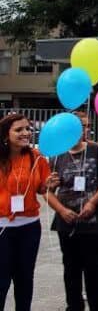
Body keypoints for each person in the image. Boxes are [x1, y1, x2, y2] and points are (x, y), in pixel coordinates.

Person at [46, 111, 98, 311]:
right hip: (67, 222)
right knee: (71, 268)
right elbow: (47, 191)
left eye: (87, 125)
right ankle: (73, 306)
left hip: (93, 221)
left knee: (95, 268)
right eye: (81, 126)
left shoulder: (97, 150)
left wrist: (93, 203)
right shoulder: (57, 155)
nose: (85, 130)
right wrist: (61, 210)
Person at [0, 113, 51, 311]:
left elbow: (42, 188)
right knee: (1, 281)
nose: (26, 133)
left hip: (29, 227)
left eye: (28, 129)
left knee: (24, 280)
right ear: (6, 134)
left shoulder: (36, 157)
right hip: (2, 229)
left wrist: (50, 184)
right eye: (19, 130)